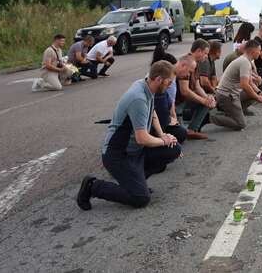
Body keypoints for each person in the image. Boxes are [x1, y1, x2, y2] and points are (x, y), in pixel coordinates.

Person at [76, 60, 182, 210]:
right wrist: (164, 141)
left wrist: (163, 135)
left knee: (174, 149)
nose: (170, 85)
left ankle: (136, 182)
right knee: (140, 199)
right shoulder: (138, 98)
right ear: (159, 79)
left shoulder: (147, 85)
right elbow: (142, 138)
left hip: (135, 151)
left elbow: (152, 111)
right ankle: (93, 186)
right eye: (169, 82)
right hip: (118, 154)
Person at [209, 40, 262, 130]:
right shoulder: (245, 62)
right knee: (240, 124)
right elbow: (244, 85)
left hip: (231, 94)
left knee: (252, 94)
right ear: (253, 51)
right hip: (226, 96)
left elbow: (250, 82)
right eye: (259, 50)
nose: (260, 53)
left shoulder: (246, 60)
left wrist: (259, 92)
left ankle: (232, 112)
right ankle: (209, 118)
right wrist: (257, 97)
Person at [175, 40, 216, 140]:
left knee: (208, 101)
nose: (206, 57)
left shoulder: (196, 64)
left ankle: (192, 130)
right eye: (205, 53)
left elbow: (197, 86)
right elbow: (184, 91)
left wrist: (207, 98)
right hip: (176, 102)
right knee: (180, 136)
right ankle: (184, 128)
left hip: (184, 100)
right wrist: (203, 100)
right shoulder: (187, 63)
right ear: (198, 51)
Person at [151, 46, 188, 143]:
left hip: (164, 117)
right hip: (155, 124)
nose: (171, 83)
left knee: (180, 134)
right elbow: (155, 113)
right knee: (176, 141)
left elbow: (170, 103)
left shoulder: (164, 85)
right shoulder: (157, 90)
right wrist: (163, 137)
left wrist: (173, 119)